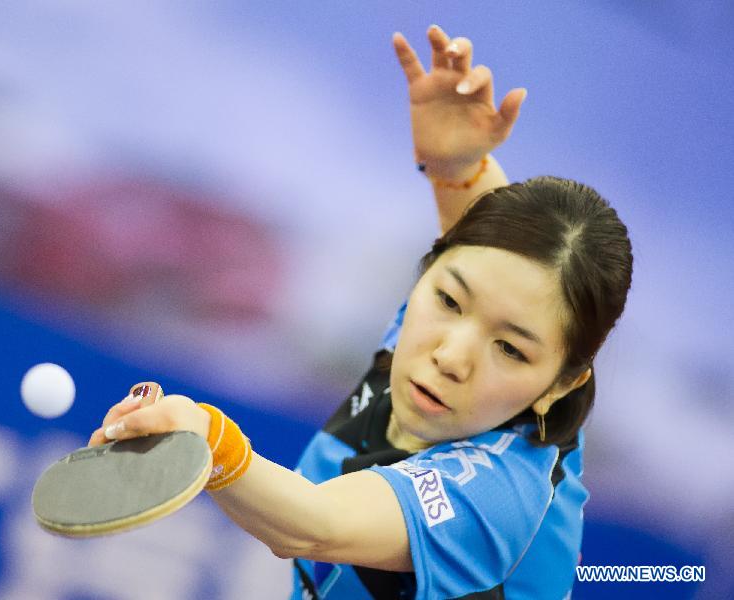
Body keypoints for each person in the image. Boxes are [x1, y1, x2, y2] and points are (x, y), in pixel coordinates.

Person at [88, 25, 633, 599]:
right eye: (448, 300)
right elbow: (488, 262)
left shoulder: (501, 491)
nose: (451, 355)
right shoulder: (445, 316)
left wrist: (210, 438)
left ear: (562, 383)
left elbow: (317, 527)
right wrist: (458, 168)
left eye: (510, 349)